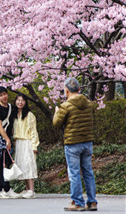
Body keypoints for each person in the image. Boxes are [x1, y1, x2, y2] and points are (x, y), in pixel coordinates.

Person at [53, 77, 97, 212]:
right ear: (79, 89)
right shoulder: (89, 104)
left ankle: (78, 202)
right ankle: (92, 202)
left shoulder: (66, 106)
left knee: (74, 173)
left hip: (72, 143)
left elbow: (56, 124)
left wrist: (56, 113)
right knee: (88, 172)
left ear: (66, 91)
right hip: (87, 142)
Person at [12, 94, 39, 199]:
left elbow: (33, 131)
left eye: (22, 100)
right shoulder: (14, 115)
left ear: (26, 102)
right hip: (18, 142)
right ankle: (27, 189)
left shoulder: (30, 115)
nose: (20, 102)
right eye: (18, 100)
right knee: (22, 165)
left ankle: (31, 190)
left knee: (29, 164)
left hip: (27, 142)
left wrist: (34, 145)